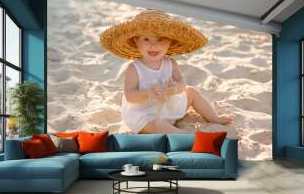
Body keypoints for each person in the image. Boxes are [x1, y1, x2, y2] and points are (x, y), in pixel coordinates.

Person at [100, 9, 234, 134]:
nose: (153, 45)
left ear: (170, 42)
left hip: (169, 107)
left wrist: (176, 89)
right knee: (155, 125)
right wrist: (148, 93)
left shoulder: (170, 63)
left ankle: (214, 118)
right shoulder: (134, 68)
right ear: (136, 41)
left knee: (192, 92)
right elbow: (130, 96)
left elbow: (182, 83)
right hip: (145, 114)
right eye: (146, 39)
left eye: (160, 39)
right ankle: (183, 135)